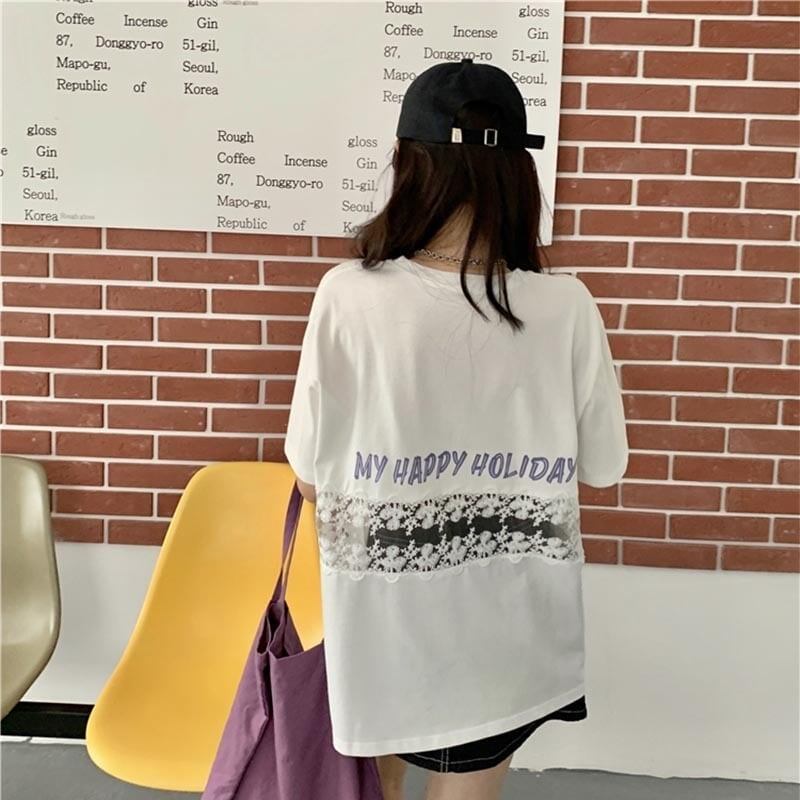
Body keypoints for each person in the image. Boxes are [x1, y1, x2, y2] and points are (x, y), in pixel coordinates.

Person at [284, 59, 629, 800]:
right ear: (518, 173)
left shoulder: (349, 297)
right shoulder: (567, 307)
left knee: (369, 784)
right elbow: (603, 467)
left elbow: (310, 477)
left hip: (383, 626)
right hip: (509, 631)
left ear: (407, 162)